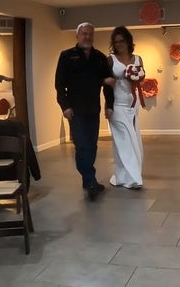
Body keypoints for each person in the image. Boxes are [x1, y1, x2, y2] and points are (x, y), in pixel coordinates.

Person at [55, 22, 115, 200]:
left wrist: (109, 105)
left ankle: (87, 178)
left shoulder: (99, 57)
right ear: (77, 36)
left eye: (90, 34)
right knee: (82, 146)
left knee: (92, 146)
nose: (87, 37)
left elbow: (109, 83)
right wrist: (65, 106)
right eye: (84, 34)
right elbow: (59, 85)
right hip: (75, 110)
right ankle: (90, 181)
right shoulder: (67, 56)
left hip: (93, 109)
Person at [103, 26, 145, 189]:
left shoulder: (138, 59)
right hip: (117, 105)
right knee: (124, 141)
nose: (119, 44)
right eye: (116, 42)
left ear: (128, 41)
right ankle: (134, 179)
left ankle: (124, 176)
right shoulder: (111, 59)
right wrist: (108, 106)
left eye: (122, 41)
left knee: (135, 140)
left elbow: (141, 78)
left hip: (133, 105)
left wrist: (137, 77)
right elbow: (105, 84)